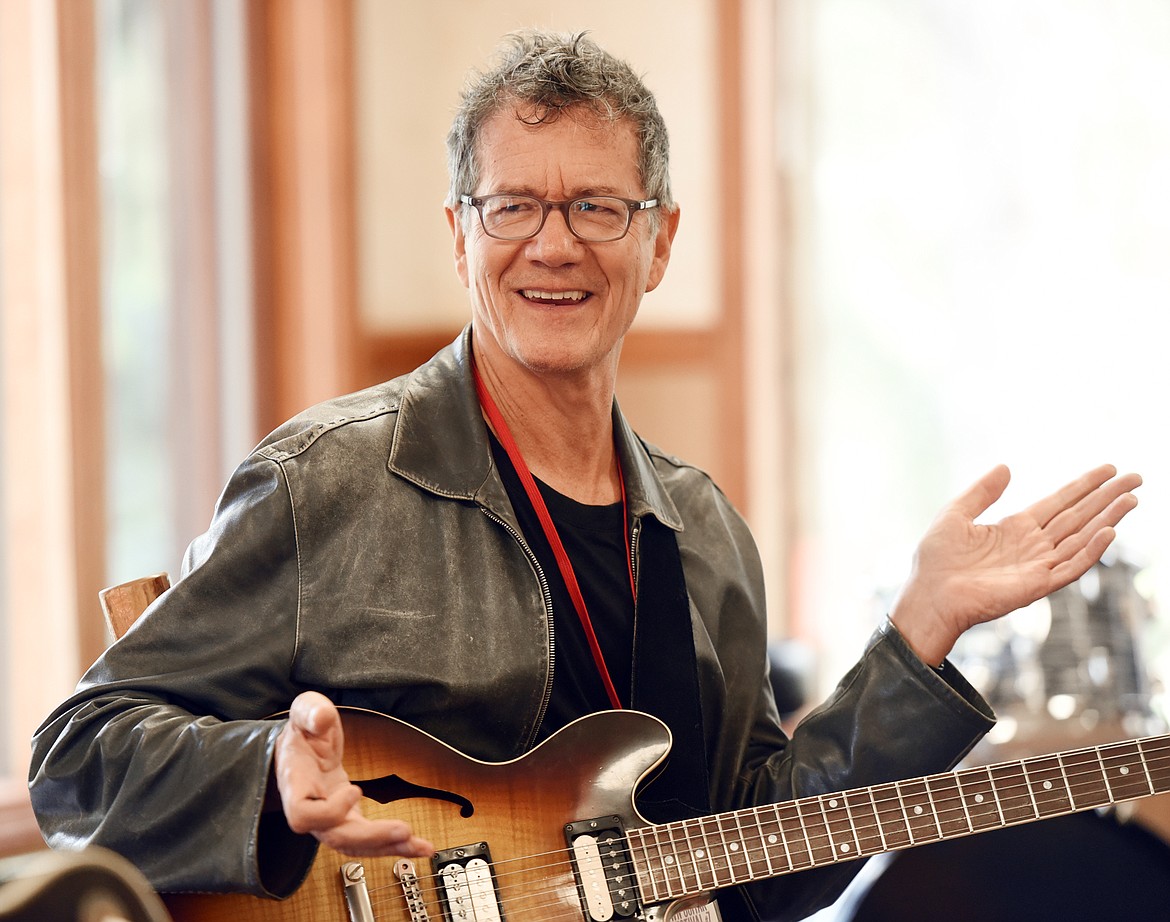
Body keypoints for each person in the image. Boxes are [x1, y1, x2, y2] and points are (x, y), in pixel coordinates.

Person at [29, 30, 1140, 922]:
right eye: (513, 206)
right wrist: (265, 772)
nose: (552, 245)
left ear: (658, 243)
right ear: (461, 235)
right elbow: (74, 759)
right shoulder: (328, 483)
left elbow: (759, 868)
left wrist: (919, 632)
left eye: (597, 208)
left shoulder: (704, 533)